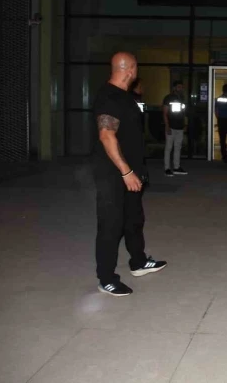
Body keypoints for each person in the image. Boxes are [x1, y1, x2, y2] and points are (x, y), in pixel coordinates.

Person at [92, 52, 167, 297]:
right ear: (131, 69)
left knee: (134, 220)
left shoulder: (126, 96)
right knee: (111, 226)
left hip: (131, 173)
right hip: (113, 175)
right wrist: (125, 171)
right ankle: (106, 278)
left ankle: (138, 262)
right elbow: (106, 135)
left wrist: (137, 171)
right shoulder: (109, 96)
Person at [162, 81, 187, 177]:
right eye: (179, 87)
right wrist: (167, 126)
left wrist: (184, 124)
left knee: (178, 148)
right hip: (171, 126)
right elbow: (165, 113)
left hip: (180, 127)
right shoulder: (168, 98)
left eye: (182, 87)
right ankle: (167, 168)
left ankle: (176, 167)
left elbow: (183, 113)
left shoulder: (182, 98)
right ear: (174, 88)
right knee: (168, 148)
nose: (181, 89)